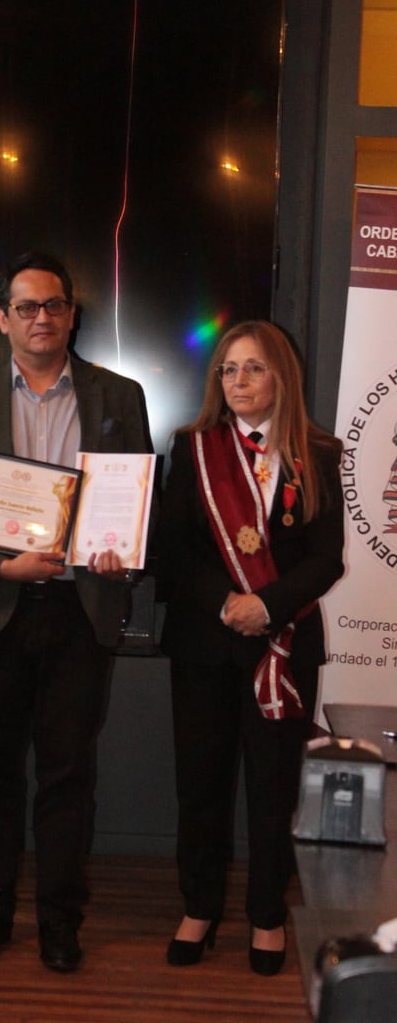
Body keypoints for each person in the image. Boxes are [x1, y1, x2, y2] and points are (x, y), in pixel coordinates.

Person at [0, 251, 153, 973]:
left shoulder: (120, 397)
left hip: (80, 609)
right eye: (26, 307)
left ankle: (60, 919)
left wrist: (123, 553)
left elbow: (135, 500)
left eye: (54, 305)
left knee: (67, 774)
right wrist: (0, 566)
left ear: (72, 315)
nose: (42, 318)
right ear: (3, 318)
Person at [155, 320, 344, 976]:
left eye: (254, 367)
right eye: (229, 369)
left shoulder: (317, 453)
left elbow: (327, 557)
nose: (238, 380)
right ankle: (199, 908)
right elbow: (174, 549)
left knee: (274, 787)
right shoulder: (194, 448)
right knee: (200, 784)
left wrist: (268, 605)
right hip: (205, 643)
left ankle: (266, 915)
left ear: (281, 376)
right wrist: (227, 602)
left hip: (283, 647)